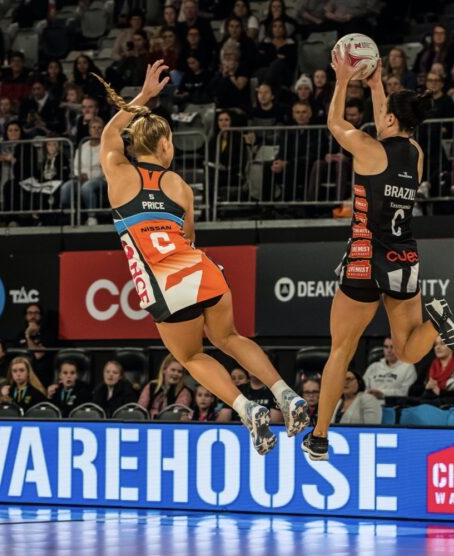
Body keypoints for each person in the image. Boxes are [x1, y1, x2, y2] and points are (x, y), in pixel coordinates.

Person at [96, 62, 308, 455]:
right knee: (229, 337)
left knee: (191, 355)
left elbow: (109, 134)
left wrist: (142, 98)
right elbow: (189, 237)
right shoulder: (180, 186)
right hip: (198, 265)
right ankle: (286, 394)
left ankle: (246, 408)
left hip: (164, 278)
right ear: (164, 146)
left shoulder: (119, 175)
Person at [304, 49, 454, 461]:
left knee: (341, 350)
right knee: (411, 351)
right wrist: (377, 85)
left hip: (365, 256)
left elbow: (334, 123)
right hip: (403, 258)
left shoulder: (367, 149)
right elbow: (390, 129)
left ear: (389, 119)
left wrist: (343, 80)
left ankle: (320, 435)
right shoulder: (416, 154)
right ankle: (437, 319)